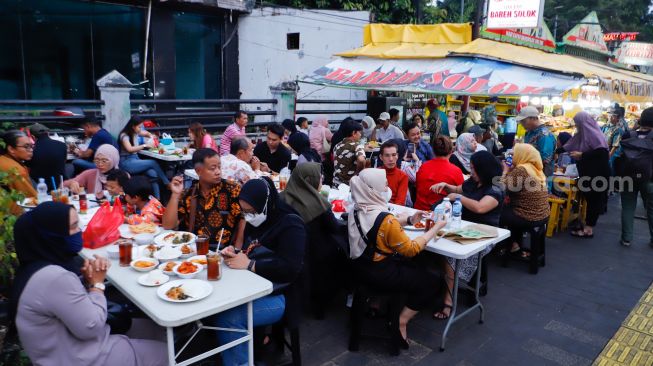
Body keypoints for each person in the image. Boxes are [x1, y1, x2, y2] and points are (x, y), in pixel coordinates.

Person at [11, 202, 167, 366]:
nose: (79, 231)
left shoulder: (34, 267)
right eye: (73, 227)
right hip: (85, 357)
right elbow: (91, 327)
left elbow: (64, 303)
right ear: (50, 235)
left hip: (66, 348)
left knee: (154, 329)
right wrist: (97, 285)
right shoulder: (54, 278)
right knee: (169, 353)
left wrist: (85, 281)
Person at [347, 169, 445, 344]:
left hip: (360, 268)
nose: (386, 185)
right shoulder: (386, 219)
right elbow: (411, 249)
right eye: (383, 183)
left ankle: (379, 305)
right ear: (373, 188)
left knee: (415, 267)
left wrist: (409, 220)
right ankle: (401, 320)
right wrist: (435, 228)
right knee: (433, 279)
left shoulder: (358, 207)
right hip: (381, 273)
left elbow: (377, 223)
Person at [217, 177, 305, 366]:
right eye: (244, 212)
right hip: (253, 288)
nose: (248, 216)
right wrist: (236, 253)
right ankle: (244, 353)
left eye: (251, 211)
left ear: (266, 204)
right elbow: (253, 249)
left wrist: (250, 265)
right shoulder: (257, 220)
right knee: (218, 303)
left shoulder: (291, 225)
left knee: (228, 318)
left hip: (282, 294)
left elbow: (290, 269)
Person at [430, 151, 504, 319]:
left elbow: (480, 207)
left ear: (484, 170)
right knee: (434, 244)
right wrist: (446, 186)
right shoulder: (473, 181)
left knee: (449, 255)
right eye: (471, 168)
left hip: (485, 232)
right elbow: (458, 189)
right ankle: (440, 285)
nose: (472, 172)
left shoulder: (496, 188)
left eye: (474, 169)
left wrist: (457, 197)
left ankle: (448, 302)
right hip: (462, 226)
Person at [281, 162, 342, 318]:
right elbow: (334, 227)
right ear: (311, 180)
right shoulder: (319, 204)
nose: (321, 181)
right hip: (317, 254)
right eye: (319, 178)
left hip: (289, 251)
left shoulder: (282, 197)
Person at [163, 148, 244, 248]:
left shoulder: (232, 189)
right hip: (194, 252)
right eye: (213, 168)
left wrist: (237, 249)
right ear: (198, 171)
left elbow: (243, 219)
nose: (218, 172)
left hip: (223, 252)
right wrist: (175, 195)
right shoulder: (190, 193)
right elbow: (168, 225)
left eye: (219, 167)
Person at [564, 112, 610, 238]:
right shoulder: (584, 134)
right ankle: (587, 226)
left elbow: (602, 154)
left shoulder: (594, 135)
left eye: (578, 123)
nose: (577, 126)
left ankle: (588, 230)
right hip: (589, 174)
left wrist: (582, 155)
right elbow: (569, 145)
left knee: (594, 200)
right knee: (591, 200)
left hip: (597, 175)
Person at [500, 143, 550, 258]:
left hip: (529, 216)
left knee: (498, 214)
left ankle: (510, 244)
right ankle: (515, 243)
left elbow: (502, 189)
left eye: (513, 154)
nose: (511, 157)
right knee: (510, 209)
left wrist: (505, 170)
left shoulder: (522, 170)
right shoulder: (535, 168)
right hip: (543, 214)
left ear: (521, 155)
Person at [617, 107, 653, 247]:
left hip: (628, 176)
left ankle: (626, 238)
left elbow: (620, 155)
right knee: (651, 208)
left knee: (627, 207)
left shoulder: (628, 135)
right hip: (649, 178)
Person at [117, 116, 171, 199]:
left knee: (152, 173)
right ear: (133, 126)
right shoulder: (124, 136)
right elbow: (130, 149)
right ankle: (167, 183)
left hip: (135, 159)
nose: (140, 129)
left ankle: (157, 201)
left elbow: (145, 133)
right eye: (139, 127)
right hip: (127, 162)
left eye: (141, 126)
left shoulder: (135, 131)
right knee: (153, 163)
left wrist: (151, 136)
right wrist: (145, 145)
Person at [415, 136, 464, 211]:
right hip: (442, 215)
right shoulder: (456, 171)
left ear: (433, 151)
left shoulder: (423, 167)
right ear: (451, 151)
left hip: (419, 211)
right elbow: (462, 194)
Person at [0, 131, 37, 214]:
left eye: (32, 146)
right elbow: (31, 199)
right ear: (11, 149)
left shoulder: (2, 159)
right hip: (13, 216)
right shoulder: (17, 171)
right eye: (26, 146)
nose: (31, 150)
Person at [517, 106, 556, 176]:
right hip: (529, 174)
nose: (521, 124)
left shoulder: (544, 135)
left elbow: (545, 160)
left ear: (533, 118)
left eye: (523, 121)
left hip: (541, 177)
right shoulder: (529, 133)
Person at [27, 123, 67, 191]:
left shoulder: (31, 150)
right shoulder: (62, 145)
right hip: (60, 183)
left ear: (33, 137)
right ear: (48, 133)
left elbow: (28, 168)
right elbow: (64, 161)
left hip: (39, 185)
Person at [333, 121, 365, 185]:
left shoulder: (337, 145)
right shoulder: (357, 146)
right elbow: (361, 160)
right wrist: (358, 172)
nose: (360, 135)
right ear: (353, 133)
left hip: (336, 183)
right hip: (350, 184)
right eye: (359, 132)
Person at [378, 141, 408, 205]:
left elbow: (400, 202)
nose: (391, 159)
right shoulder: (374, 173)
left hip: (394, 210)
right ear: (381, 157)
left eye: (394, 155)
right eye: (387, 155)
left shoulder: (402, 176)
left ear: (397, 156)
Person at [603, 105, 628, 171]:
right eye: (609, 115)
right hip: (605, 151)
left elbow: (615, 146)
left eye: (613, 116)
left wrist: (609, 156)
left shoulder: (618, 130)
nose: (611, 117)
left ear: (618, 118)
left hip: (613, 154)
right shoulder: (605, 126)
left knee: (610, 168)